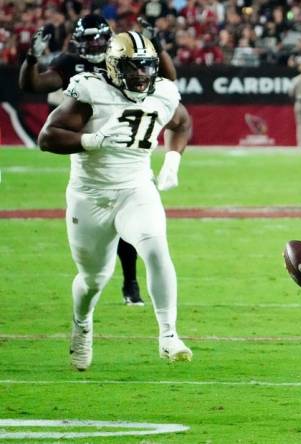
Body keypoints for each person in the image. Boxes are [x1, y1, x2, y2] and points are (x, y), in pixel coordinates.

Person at [37, 31, 193, 370]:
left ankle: (168, 334)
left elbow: (181, 122)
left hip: (136, 188)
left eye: (146, 67)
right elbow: (47, 138)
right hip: (89, 194)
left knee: (155, 246)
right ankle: (82, 323)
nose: (141, 75)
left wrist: (172, 160)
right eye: (133, 68)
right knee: (94, 279)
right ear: (113, 66)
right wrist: (92, 140)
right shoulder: (91, 90)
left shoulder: (162, 92)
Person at [19, 14, 179, 306]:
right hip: (87, 151)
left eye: (98, 38)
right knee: (95, 252)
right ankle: (97, 295)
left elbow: (167, 83)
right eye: (88, 38)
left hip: (125, 157)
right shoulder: (75, 70)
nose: (94, 43)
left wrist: (158, 45)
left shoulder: (128, 59)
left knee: (134, 220)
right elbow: (35, 86)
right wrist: (32, 58)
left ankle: (131, 282)